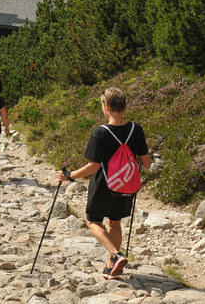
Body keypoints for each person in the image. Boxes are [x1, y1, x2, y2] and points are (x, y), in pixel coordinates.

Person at [57, 87, 151, 280]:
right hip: (125, 186)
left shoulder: (100, 132)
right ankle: (112, 265)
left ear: (106, 106)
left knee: (93, 222)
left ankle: (116, 256)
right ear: (125, 106)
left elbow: (93, 167)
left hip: (103, 186)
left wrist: (70, 175)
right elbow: (147, 163)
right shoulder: (136, 129)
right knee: (115, 223)